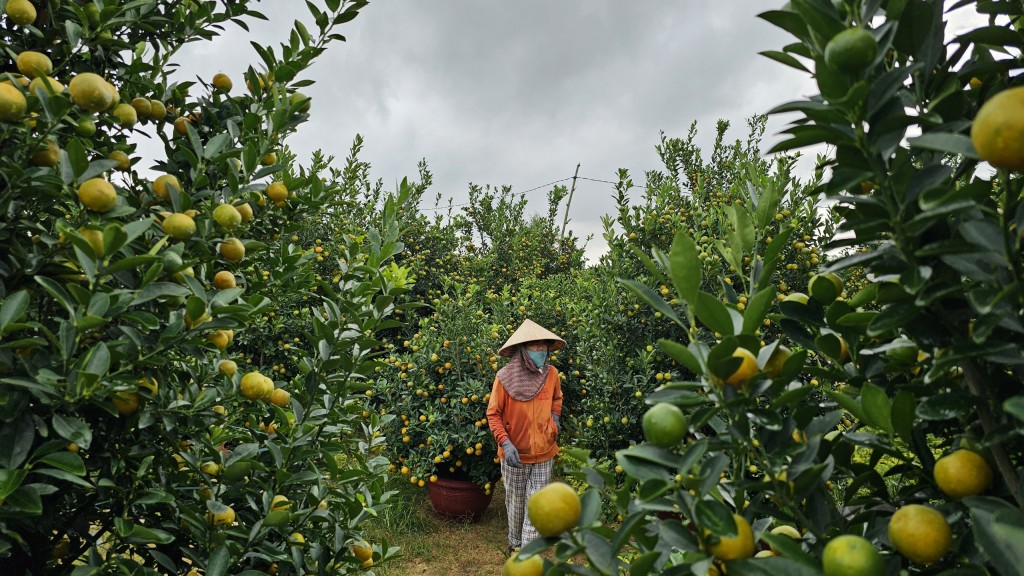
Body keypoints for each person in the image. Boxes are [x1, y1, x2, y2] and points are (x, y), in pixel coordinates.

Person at [486, 318, 565, 552]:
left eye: (544, 345)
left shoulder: (552, 375)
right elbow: (493, 413)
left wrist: (555, 420)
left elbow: (557, 399)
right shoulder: (504, 378)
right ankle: (515, 544)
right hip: (515, 455)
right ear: (522, 349)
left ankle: (528, 552)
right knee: (516, 502)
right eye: (535, 345)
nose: (541, 349)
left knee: (536, 504)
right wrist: (505, 442)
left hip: (544, 451)